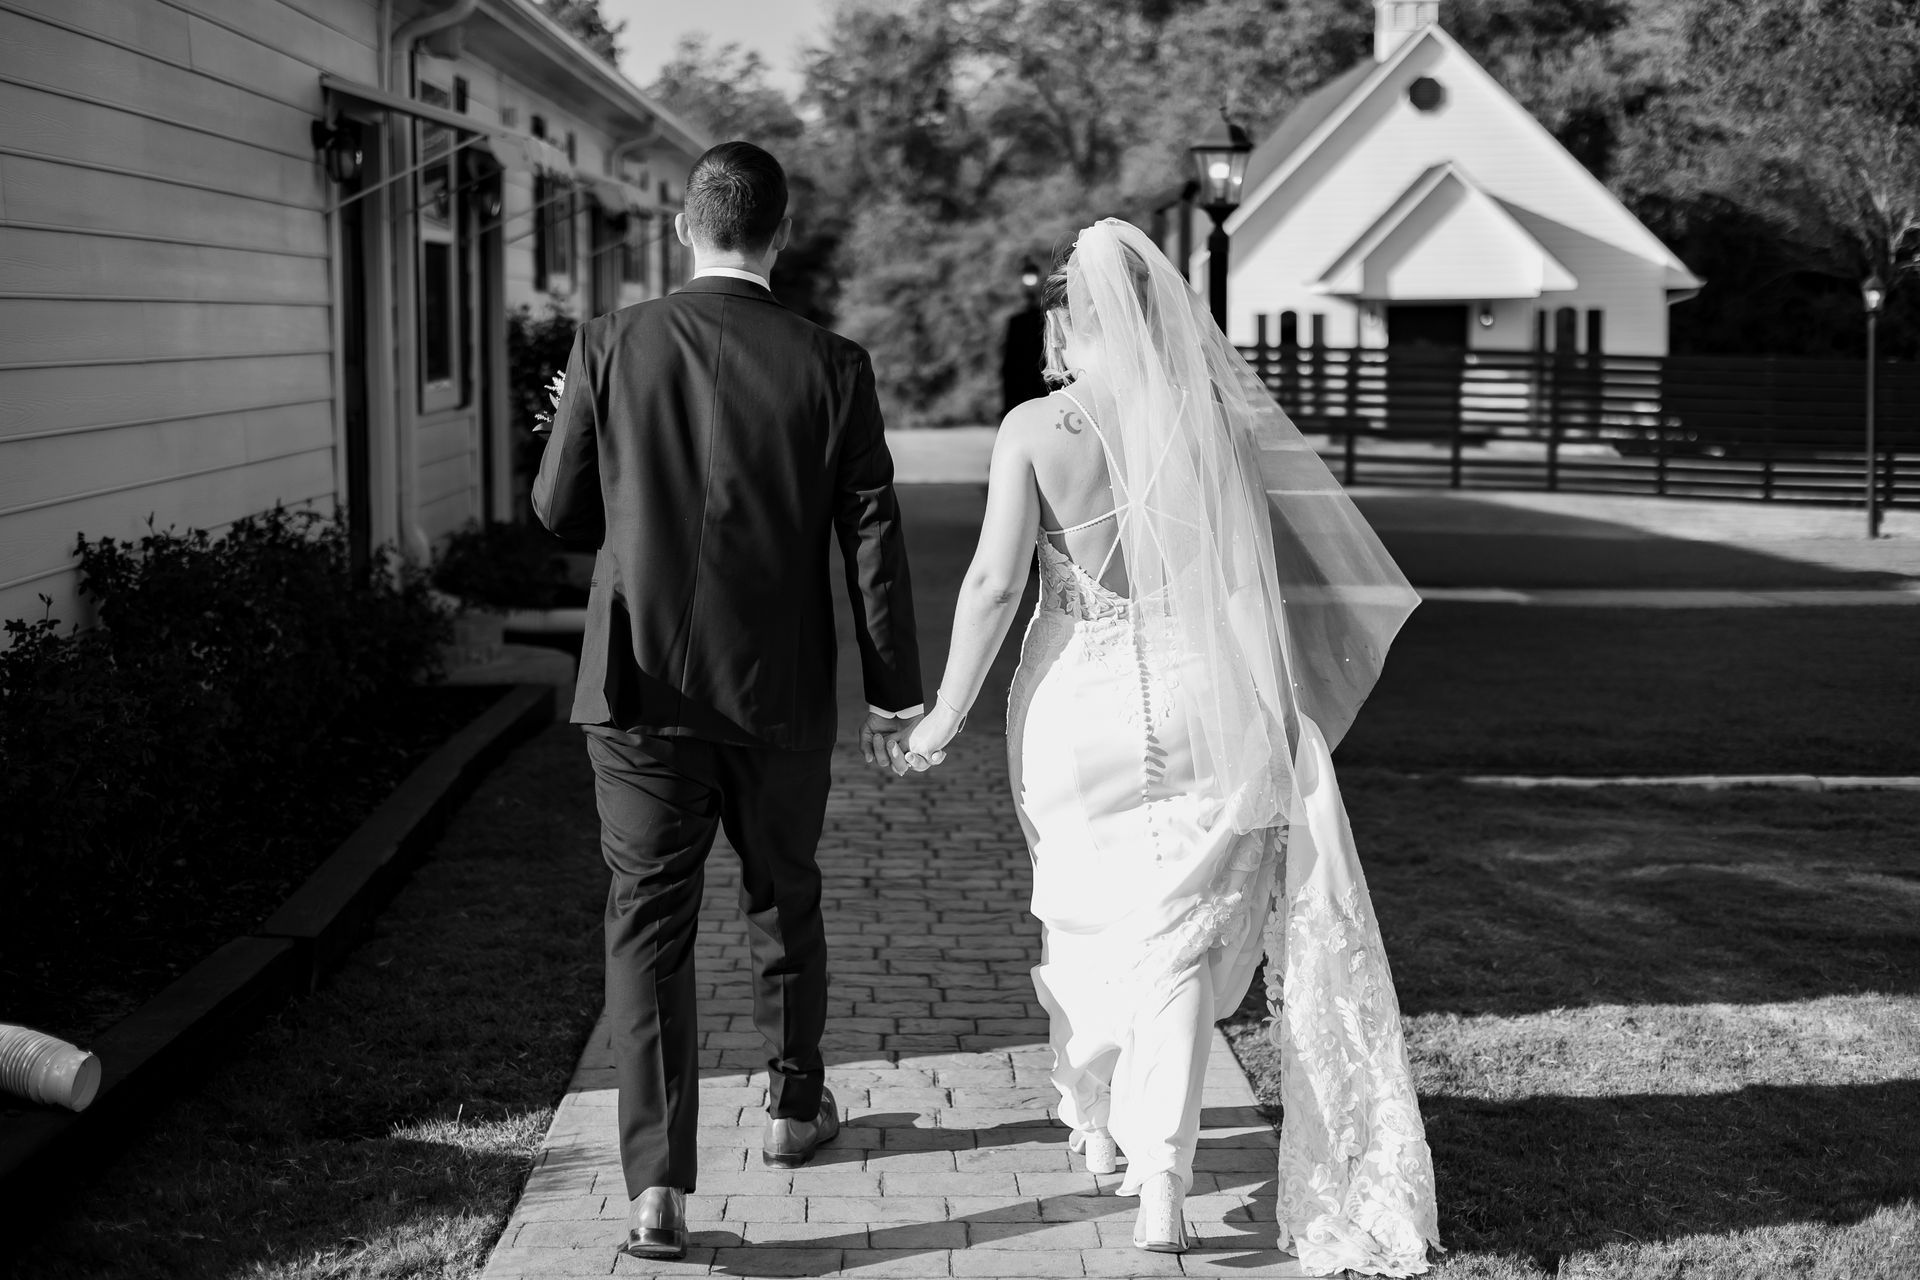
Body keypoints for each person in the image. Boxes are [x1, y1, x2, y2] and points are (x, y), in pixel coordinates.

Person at [904, 218, 1440, 1273]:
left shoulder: (1034, 428)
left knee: (1082, 909)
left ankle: (1091, 1114)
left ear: (1074, 321)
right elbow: (1245, 590)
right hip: (1201, 696)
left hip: (1072, 709)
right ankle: (1162, 1174)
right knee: (1183, 927)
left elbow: (995, 586)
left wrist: (943, 714)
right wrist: (1281, 717)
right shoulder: (1216, 429)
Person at [533, 141, 924, 1263]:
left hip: (639, 687)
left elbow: (560, 513)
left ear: (682, 228)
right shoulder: (834, 363)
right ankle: (797, 1108)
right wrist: (893, 689)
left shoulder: (608, 344)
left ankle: (656, 1186)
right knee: (782, 893)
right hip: (778, 690)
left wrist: (583, 419)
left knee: (647, 925)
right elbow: (873, 535)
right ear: (781, 231)